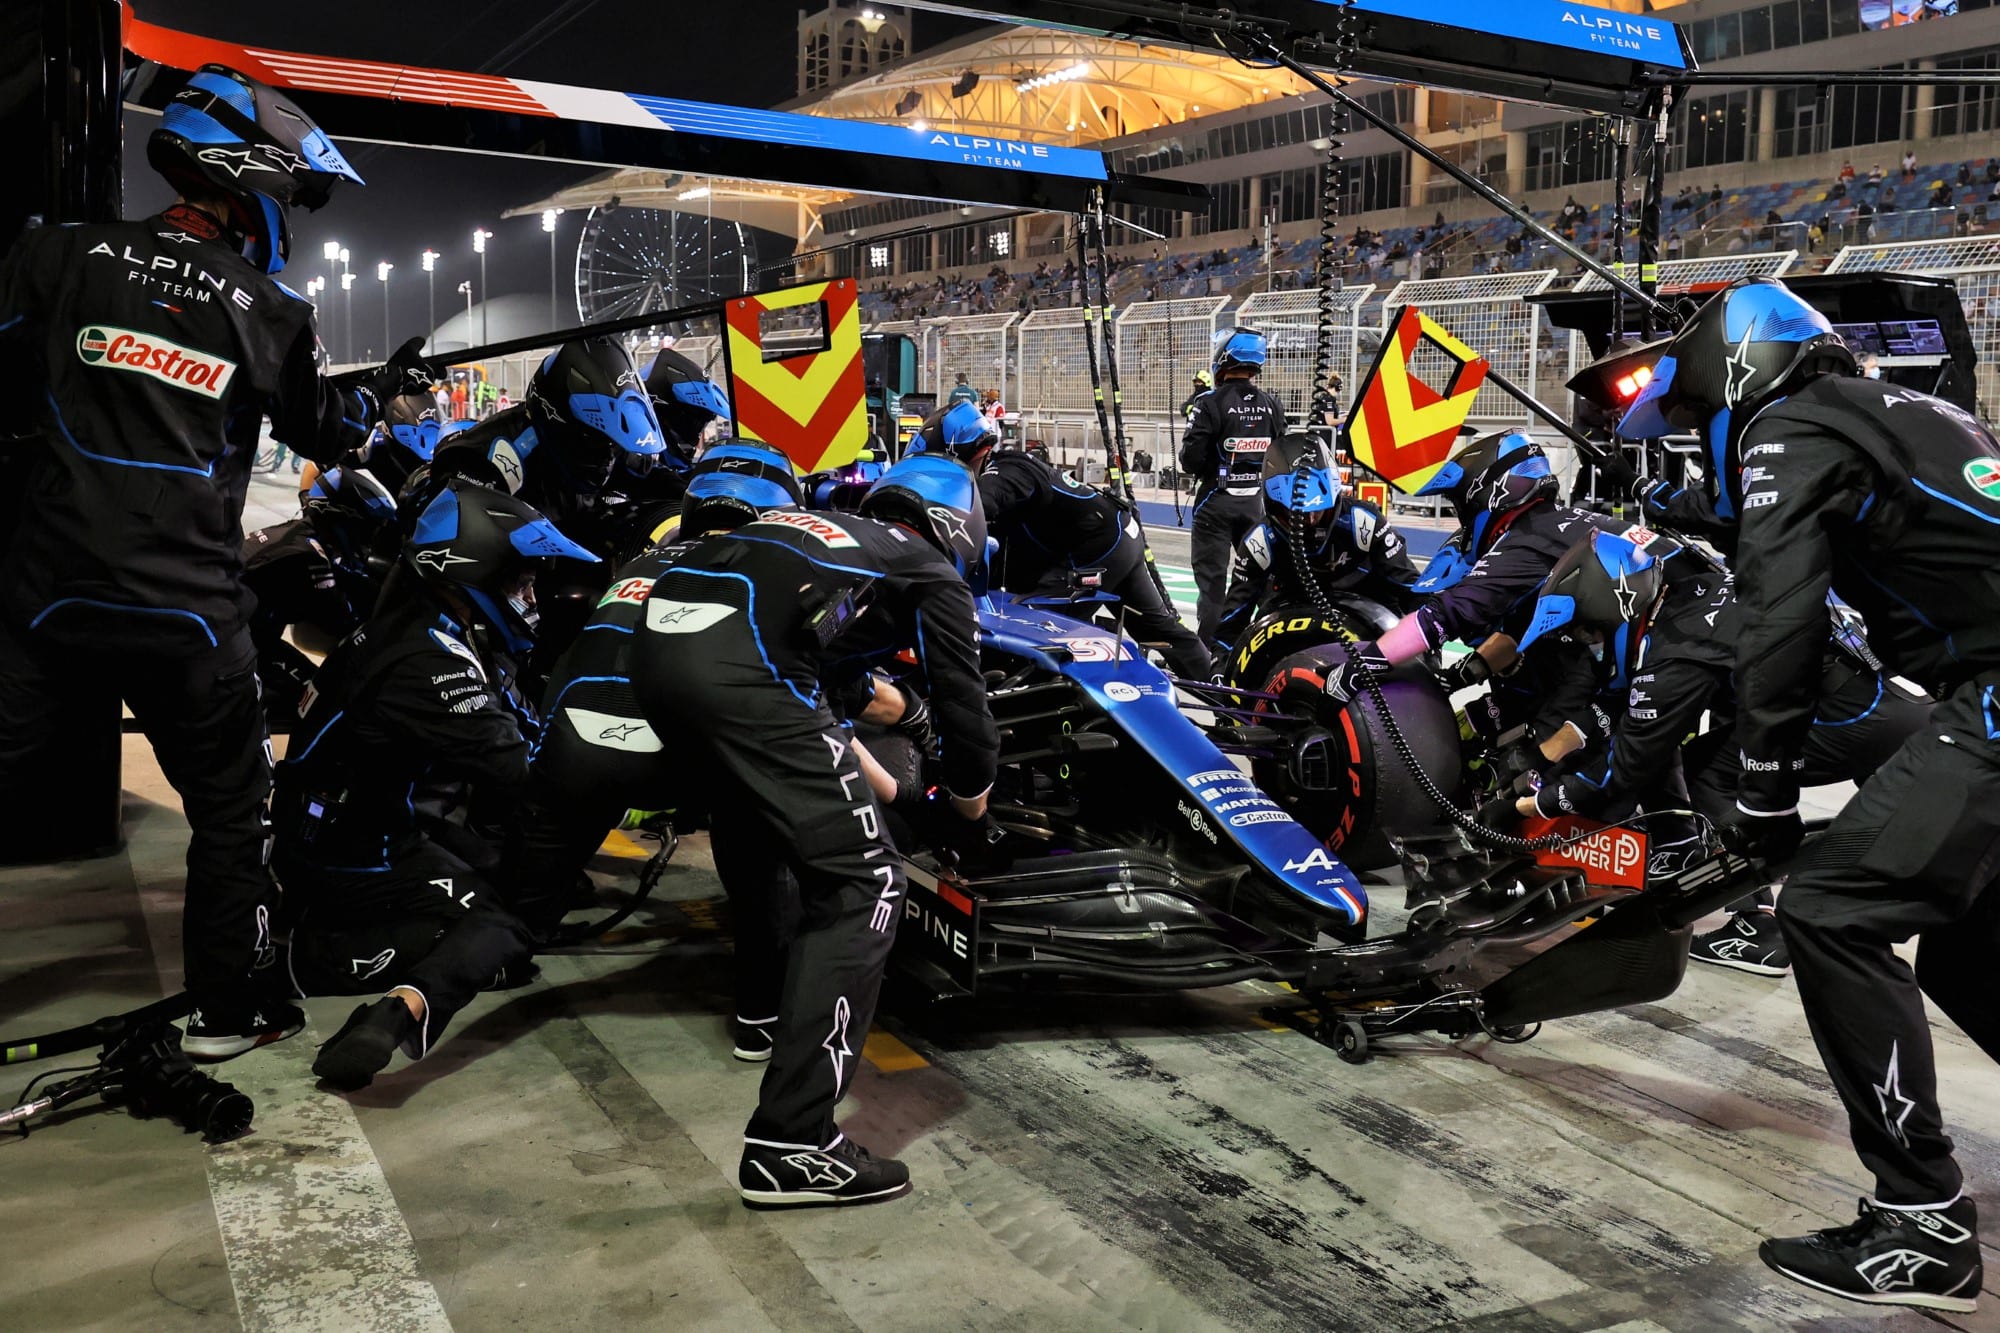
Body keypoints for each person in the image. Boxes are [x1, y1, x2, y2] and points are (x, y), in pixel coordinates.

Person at [0, 63, 422, 1057]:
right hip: (185, 610)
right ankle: (230, 1011)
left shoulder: (59, 254)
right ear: (254, 177)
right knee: (233, 816)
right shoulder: (272, 312)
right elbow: (334, 432)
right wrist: (385, 394)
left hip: (46, 593)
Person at [1614, 277, 2000, 1310]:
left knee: (1830, 909)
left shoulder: (1785, 424)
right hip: (1979, 691)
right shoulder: (1906, 409)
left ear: (1740, 367)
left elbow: (1776, 616)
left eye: (1701, 412)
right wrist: (1689, 504)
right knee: (1963, 943)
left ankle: (1921, 1228)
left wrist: (1767, 792)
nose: (1707, 434)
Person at [629, 455, 999, 1207]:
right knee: (864, 881)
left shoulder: (833, 539)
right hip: (742, 669)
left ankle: (762, 1012)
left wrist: (896, 792)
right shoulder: (930, 569)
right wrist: (967, 814)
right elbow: (969, 717)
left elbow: (824, 714)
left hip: (658, 650)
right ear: (960, 527)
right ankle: (792, 1142)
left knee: (776, 830)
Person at [274, 480, 596, 1088]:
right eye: (518, 581)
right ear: (473, 570)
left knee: (532, 877)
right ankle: (307, 961)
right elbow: (524, 772)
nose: (530, 598)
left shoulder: (426, 624)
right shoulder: (427, 661)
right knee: (518, 924)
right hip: (348, 851)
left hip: (373, 822)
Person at [1503, 530, 1928, 955]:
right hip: (1894, 692)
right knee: (1712, 756)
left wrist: (1539, 803)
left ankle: (1758, 926)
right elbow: (1626, 708)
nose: (1588, 642)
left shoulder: (1677, 650)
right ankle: (1688, 848)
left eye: (1588, 632)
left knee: (1714, 778)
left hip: (1856, 716)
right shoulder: (1695, 587)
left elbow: (1629, 764)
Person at [1322, 431, 1604, 767]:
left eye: (1461, 505)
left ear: (1485, 490)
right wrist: (1461, 675)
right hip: (1650, 653)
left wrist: (1362, 664)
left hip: (1644, 670)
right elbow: (1523, 627)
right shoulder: (1567, 525)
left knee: (1521, 777)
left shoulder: (1529, 540)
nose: (1464, 518)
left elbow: (1445, 614)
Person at [914, 402, 1212, 678]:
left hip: (1097, 547)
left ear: (958, 452)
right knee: (1158, 631)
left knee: (1031, 630)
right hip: (1114, 538)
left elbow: (973, 506)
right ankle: (1228, 700)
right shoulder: (1002, 469)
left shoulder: (1003, 473)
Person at [1214, 434, 1418, 666]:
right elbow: (1232, 620)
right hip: (1289, 616)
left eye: (1318, 511)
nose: (1309, 522)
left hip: (1369, 613)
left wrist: (1429, 650)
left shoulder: (1365, 522)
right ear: (1275, 505)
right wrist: (1220, 664)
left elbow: (1411, 588)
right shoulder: (1260, 543)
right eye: (1296, 515)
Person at [1182, 329, 1287, 645]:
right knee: (1261, 580)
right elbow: (1282, 455)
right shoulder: (1273, 404)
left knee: (1213, 585)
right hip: (1257, 504)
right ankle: (1259, 647)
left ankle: (1210, 655)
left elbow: (1190, 459)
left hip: (1215, 501)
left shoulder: (1209, 403)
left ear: (1224, 358)